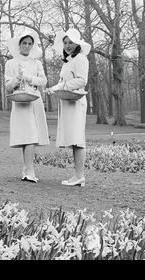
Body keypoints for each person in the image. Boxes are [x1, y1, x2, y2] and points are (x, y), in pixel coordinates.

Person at [47, 28, 91, 187]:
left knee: (78, 139)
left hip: (76, 103)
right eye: (65, 43)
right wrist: (53, 89)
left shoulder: (81, 59)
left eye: (71, 42)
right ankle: (77, 175)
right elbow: (62, 82)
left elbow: (81, 81)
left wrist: (63, 87)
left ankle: (80, 176)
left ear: (77, 43)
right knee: (73, 139)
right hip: (67, 102)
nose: (68, 45)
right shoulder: (68, 61)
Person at [5, 30, 50, 183]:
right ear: (19, 45)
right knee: (25, 135)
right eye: (24, 43)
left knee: (32, 134)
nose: (27, 46)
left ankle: (29, 170)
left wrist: (29, 78)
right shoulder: (10, 63)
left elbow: (43, 81)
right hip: (19, 101)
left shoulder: (36, 63)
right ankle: (26, 168)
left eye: (30, 44)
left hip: (34, 101)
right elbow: (7, 86)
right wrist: (17, 78)